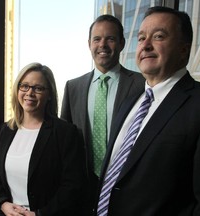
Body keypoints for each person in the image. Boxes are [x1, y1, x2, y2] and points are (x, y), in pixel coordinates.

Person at [96, 6, 200, 216]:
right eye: (141, 38)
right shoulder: (131, 100)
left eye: (158, 36)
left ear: (183, 49)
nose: (146, 46)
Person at [60, 14, 145, 214]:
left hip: (126, 186)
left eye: (111, 39)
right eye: (97, 39)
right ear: (89, 44)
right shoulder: (73, 87)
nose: (103, 45)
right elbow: (65, 140)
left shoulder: (142, 85)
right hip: (82, 187)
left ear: (122, 43)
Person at [0, 62, 87, 216]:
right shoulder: (6, 130)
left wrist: (39, 214)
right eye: (24, 86)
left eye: (38, 88)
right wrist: (3, 204)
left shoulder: (65, 133)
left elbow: (72, 186)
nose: (29, 93)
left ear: (49, 95)